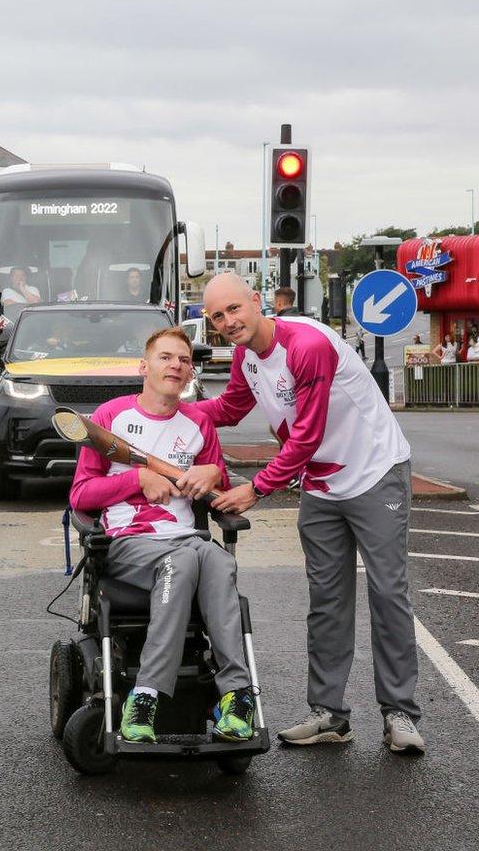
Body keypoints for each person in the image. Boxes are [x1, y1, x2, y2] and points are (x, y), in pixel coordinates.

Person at [196, 273, 423, 754]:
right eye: (218, 316)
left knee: (387, 593)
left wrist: (256, 488)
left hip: (374, 471)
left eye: (234, 308)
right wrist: (165, 402)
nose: (228, 322)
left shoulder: (307, 345)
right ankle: (330, 715)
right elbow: (229, 409)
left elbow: (307, 435)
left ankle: (399, 713)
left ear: (257, 301)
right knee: (327, 600)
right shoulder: (245, 357)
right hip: (321, 485)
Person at [70, 326, 256, 744]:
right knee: (187, 559)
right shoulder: (110, 418)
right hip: (128, 543)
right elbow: (81, 494)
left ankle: (236, 697)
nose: (176, 365)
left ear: (191, 373)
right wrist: (137, 477)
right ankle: (145, 696)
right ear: (144, 366)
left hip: (185, 538)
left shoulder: (198, 423)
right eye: (165, 357)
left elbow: (216, 486)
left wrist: (215, 471)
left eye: (184, 360)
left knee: (218, 559)